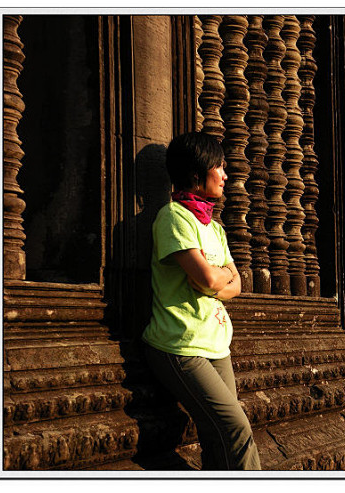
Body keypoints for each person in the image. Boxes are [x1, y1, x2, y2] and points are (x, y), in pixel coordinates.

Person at [142, 131, 261, 470]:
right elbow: (212, 278)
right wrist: (215, 276)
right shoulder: (173, 217)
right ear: (196, 173)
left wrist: (212, 278)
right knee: (235, 428)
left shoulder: (215, 229)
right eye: (219, 168)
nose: (225, 175)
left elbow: (236, 285)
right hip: (179, 344)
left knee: (218, 437)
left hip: (216, 344)